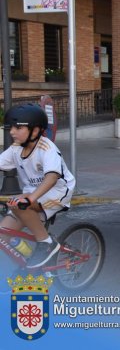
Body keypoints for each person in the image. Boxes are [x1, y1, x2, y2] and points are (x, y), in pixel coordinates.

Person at [0, 103, 76, 268]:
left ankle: (47, 243)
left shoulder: (46, 148)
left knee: (20, 204)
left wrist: (31, 198)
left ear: (34, 131)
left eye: (17, 128)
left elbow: (52, 177)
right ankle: (29, 264)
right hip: (32, 193)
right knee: (2, 235)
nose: (12, 131)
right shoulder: (16, 149)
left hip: (57, 193)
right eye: (11, 127)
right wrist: (29, 198)